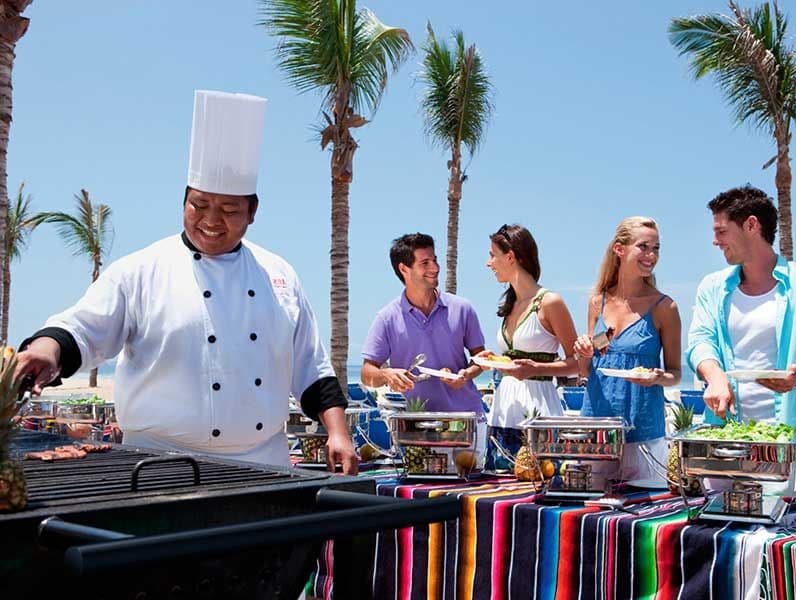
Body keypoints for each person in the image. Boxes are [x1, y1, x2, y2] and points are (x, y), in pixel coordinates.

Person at [15, 90, 357, 473]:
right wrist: (46, 350)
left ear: (253, 212)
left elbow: (312, 369)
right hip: (157, 465)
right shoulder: (141, 270)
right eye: (198, 205)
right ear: (183, 201)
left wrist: (338, 433)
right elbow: (80, 329)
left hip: (263, 464)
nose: (211, 220)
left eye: (228, 209)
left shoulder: (279, 275)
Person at [686, 185, 796, 495]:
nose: (715, 240)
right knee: (719, 536)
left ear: (751, 225)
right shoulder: (712, 287)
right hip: (723, 442)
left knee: (782, 536)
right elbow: (700, 342)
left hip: (787, 443)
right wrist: (715, 377)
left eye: (721, 231)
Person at [574, 217, 682, 481]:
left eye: (656, 248)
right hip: (597, 430)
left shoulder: (665, 308)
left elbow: (676, 373)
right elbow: (588, 369)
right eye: (643, 246)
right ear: (619, 250)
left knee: (643, 515)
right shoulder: (597, 302)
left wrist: (658, 377)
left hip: (642, 431)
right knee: (587, 516)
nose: (651, 255)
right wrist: (583, 352)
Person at [481, 224, 579, 470]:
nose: (488, 263)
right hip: (503, 413)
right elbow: (513, 360)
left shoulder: (549, 302)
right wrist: (493, 358)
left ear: (510, 257)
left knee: (537, 489)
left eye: (493, 255)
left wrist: (536, 367)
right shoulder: (509, 305)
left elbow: (579, 363)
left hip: (540, 417)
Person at [360, 233, 486, 414]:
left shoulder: (462, 308)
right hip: (412, 422)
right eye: (425, 263)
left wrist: (466, 375)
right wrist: (386, 374)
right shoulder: (386, 318)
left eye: (435, 260)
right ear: (404, 269)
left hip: (465, 418)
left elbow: (481, 359)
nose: (435, 268)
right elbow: (366, 373)